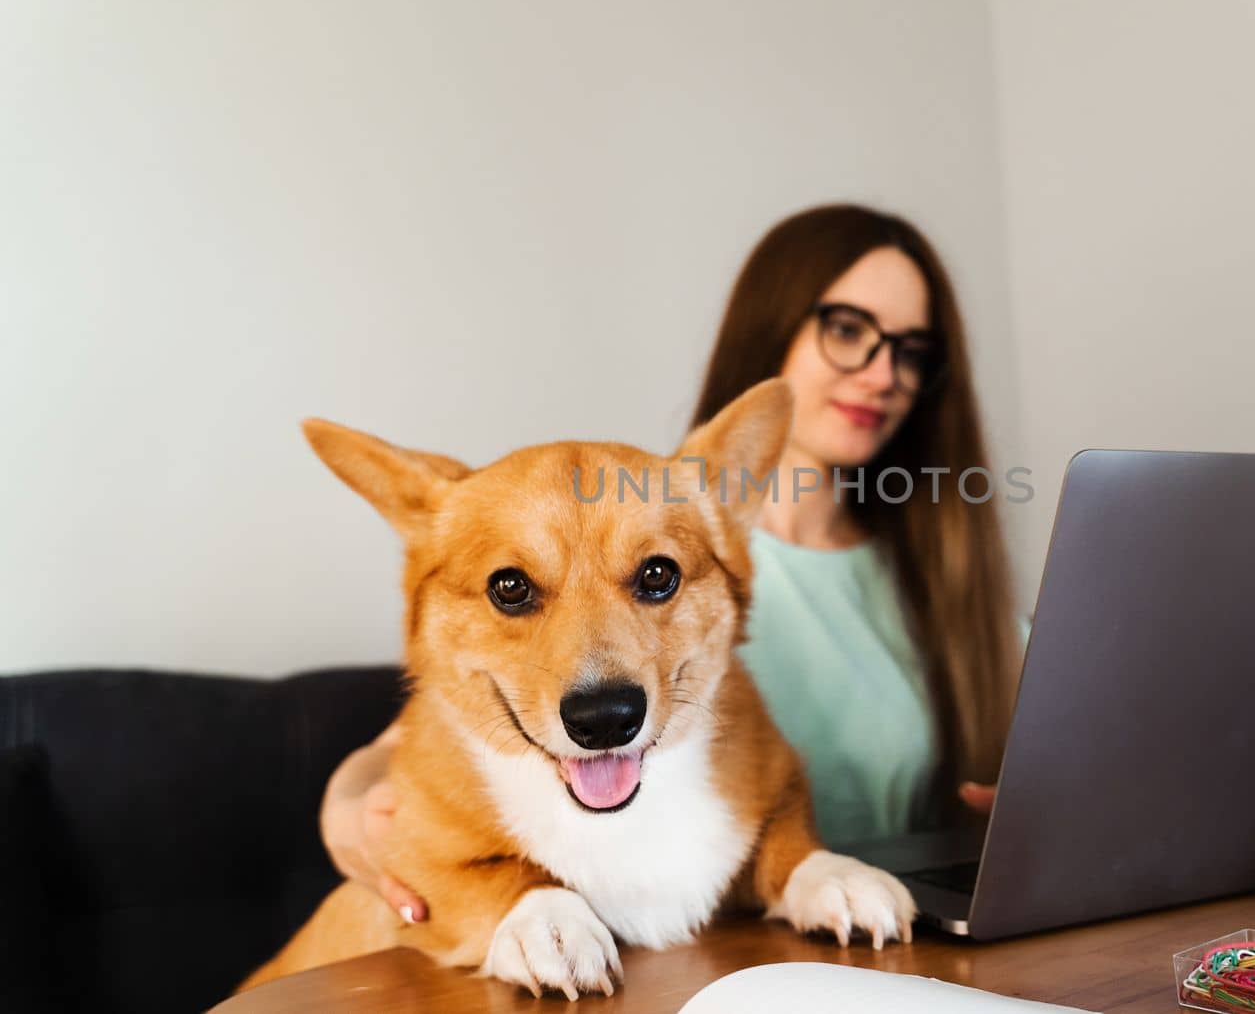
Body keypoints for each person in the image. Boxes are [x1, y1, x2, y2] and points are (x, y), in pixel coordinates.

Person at [321, 204, 1027, 924]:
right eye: (848, 330)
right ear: (772, 326)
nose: (882, 373)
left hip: (904, 940)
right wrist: (348, 806)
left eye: (912, 349)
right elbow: (431, 733)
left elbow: (1080, 734)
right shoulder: (647, 511)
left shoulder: (950, 588)